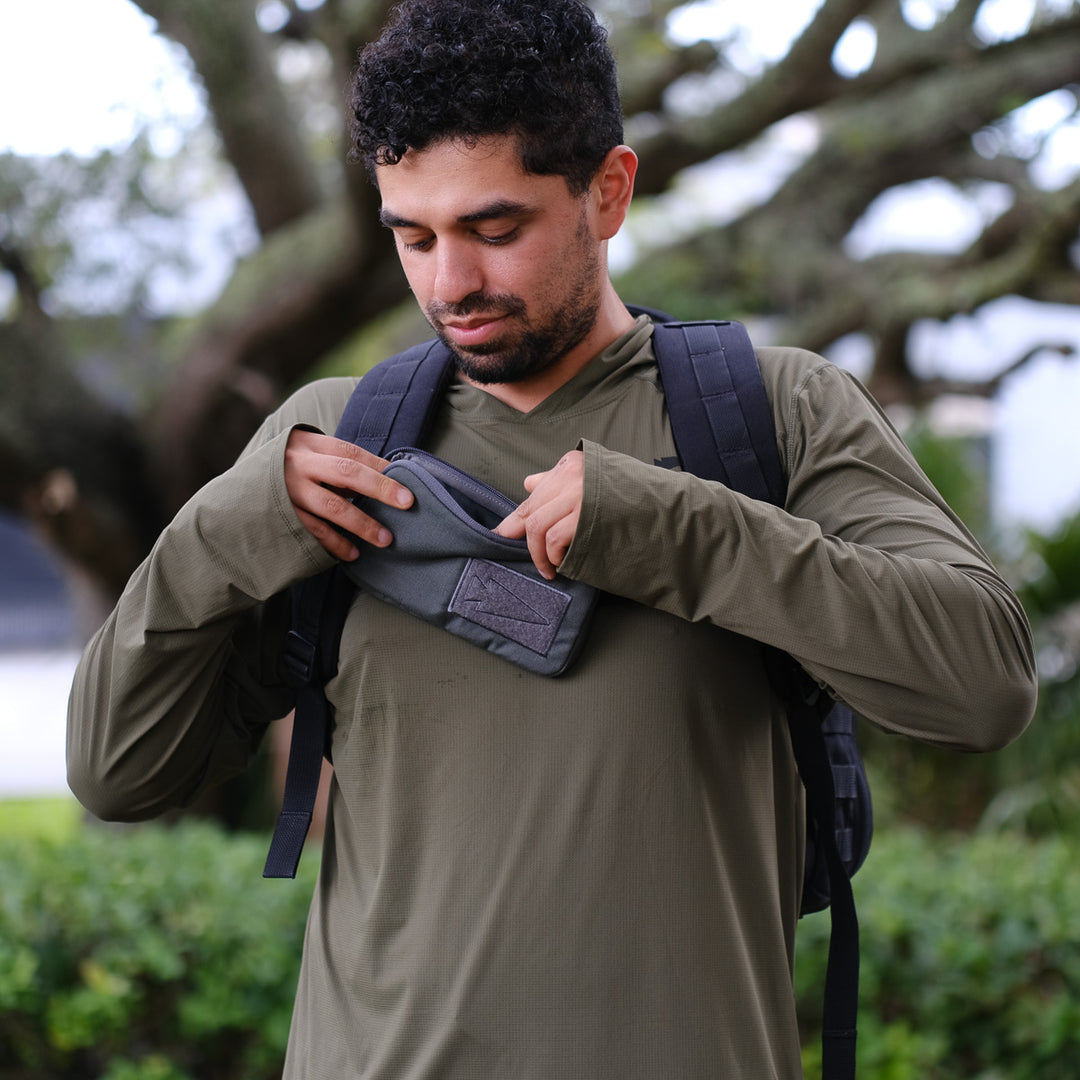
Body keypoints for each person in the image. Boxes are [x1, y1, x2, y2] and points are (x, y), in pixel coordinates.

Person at [67, 1, 1037, 1076]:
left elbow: (985, 681)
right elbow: (118, 773)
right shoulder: (337, 445)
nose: (450, 286)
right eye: (413, 237)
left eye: (494, 230)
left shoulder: (779, 415)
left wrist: (682, 531)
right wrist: (218, 532)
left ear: (608, 191)